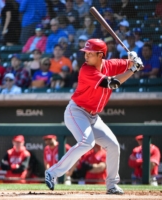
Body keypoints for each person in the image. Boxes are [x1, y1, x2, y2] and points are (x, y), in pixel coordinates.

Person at [45, 38, 144, 194]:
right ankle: (52, 173)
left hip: (93, 116)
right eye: (85, 53)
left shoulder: (111, 64)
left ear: (100, 55)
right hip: (76, 111)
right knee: (87, 143)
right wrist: (133, 69)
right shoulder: (86, 70)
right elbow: (113, 84)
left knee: (113, 146)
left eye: (90, 53)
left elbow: (132, 63)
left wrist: (134, 59)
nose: (86, 56)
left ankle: (111, 185)